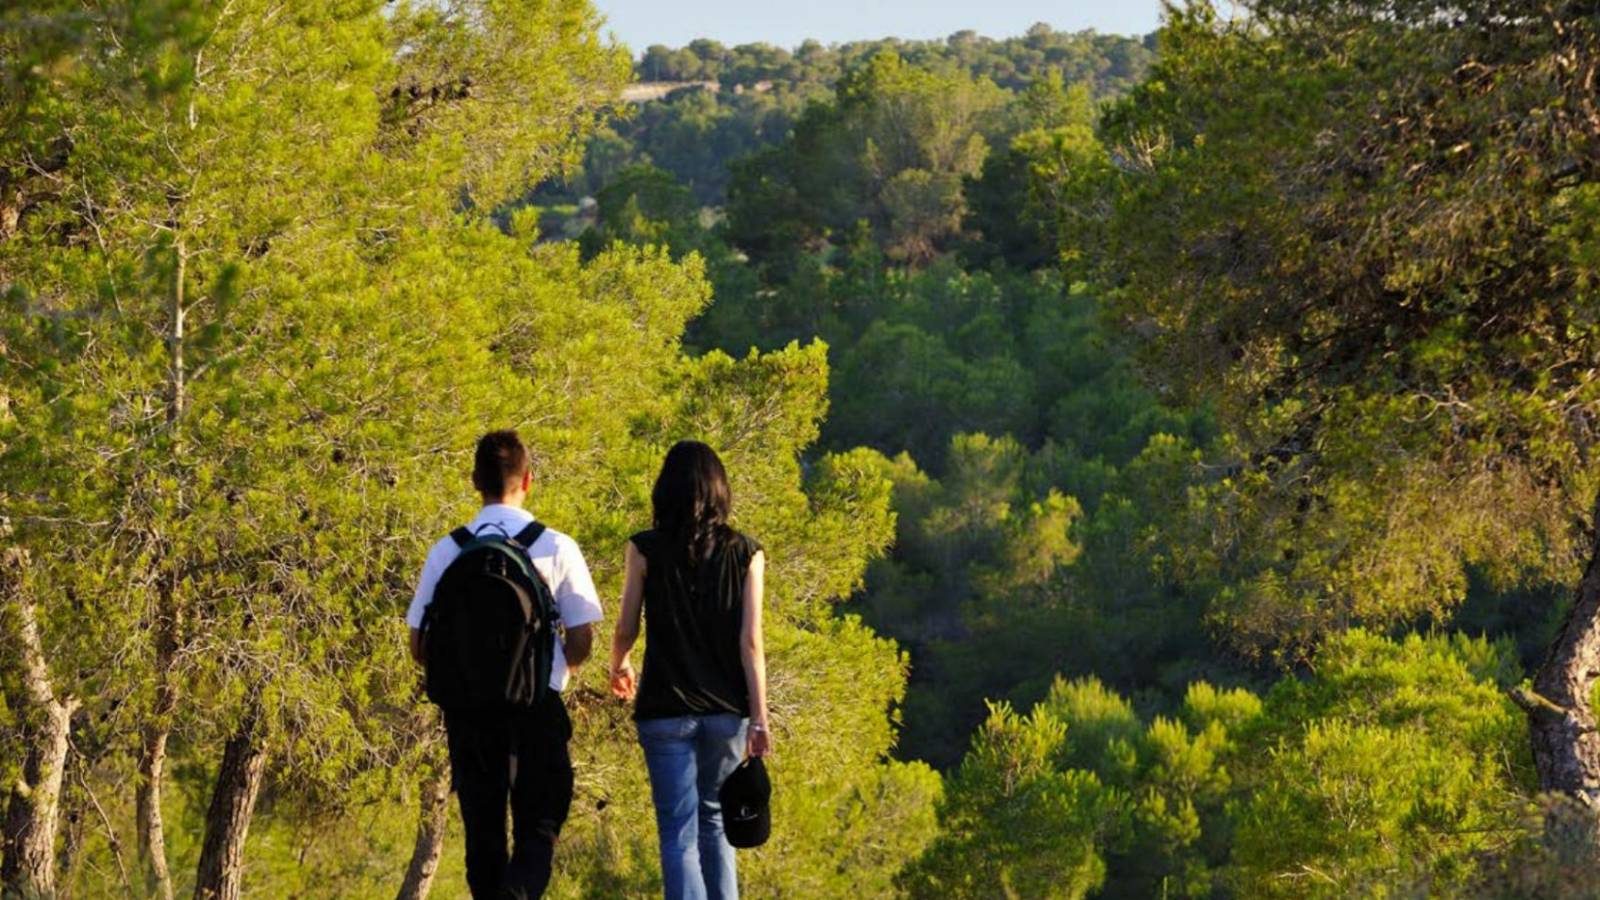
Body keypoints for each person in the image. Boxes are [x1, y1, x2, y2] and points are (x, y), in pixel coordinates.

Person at [406, 430, 603, 899]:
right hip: (536, 704)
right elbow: (581, 639)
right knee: (541, 821)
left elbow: (418, 643)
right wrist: (556, 672)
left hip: (469, 712)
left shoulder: (448, 549)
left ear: (475, 480)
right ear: (528, 480)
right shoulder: (556, 546)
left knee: (483, 829)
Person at [608, 440, 772, 900]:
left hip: (665, 708)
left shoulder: (644, 548)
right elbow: (751, 642)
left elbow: (626, 626)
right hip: (727, 712)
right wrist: (760, 718)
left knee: (677, 832)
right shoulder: (748, 553)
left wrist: (618, 664)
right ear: (721, 489)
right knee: (716, 822)